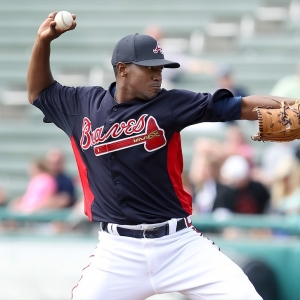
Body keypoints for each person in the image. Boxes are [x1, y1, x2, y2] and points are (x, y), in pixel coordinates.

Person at [26, 11, 298, 300]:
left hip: (179, 245)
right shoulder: (82, 104)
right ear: (122, 69)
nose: (158, 76)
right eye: (150, 69)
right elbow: (38, 93)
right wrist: (44, 43)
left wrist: (294, 108)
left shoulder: (169, 103)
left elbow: (240, 106)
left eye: (160, 69)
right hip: (117, 253)